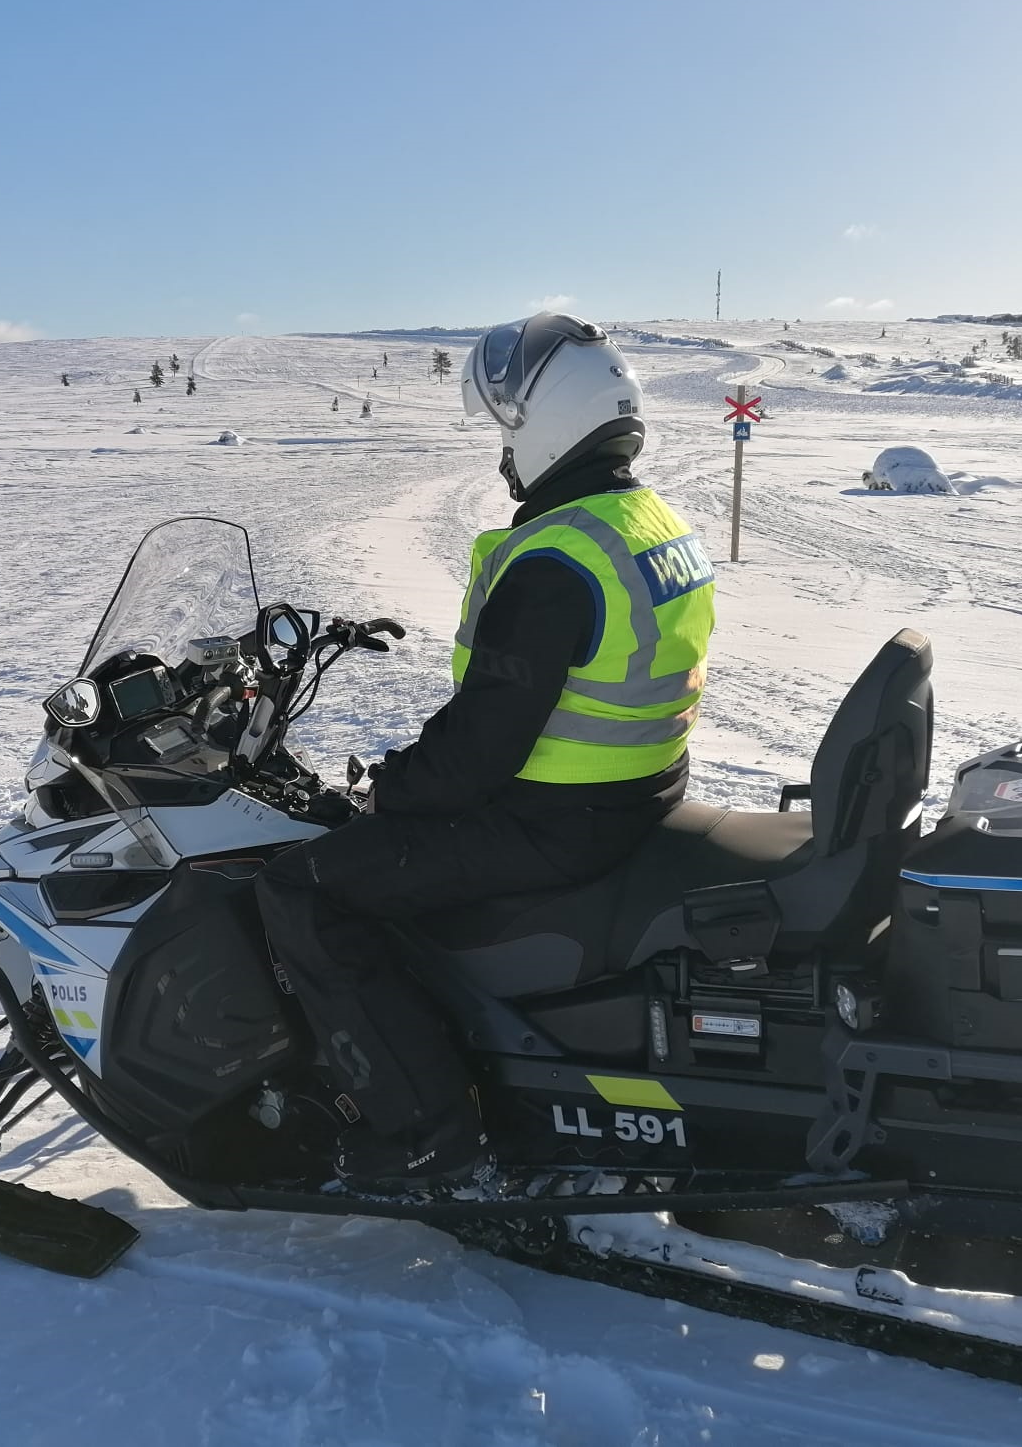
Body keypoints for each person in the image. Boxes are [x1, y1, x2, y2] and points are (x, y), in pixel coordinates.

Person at [257, 313, 716, 1186]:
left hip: (555, 818)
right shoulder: (645, 519)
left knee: (304, 888)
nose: (503, 458)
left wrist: (388, 792)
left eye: (505, 434)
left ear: (547, 424)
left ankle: (429, 1134)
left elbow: (481, 746)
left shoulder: (557, 558)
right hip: (635, 790)